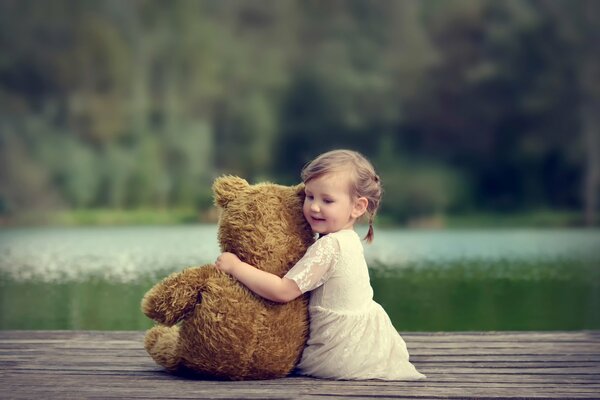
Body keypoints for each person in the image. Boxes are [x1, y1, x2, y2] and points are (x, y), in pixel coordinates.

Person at [215, 149, 425, 380]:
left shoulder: (329, 246)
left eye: (327, 200)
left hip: (335, 355)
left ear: (357, 207)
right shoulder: (349, 240)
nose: (314, 207)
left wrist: (235, 267)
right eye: (310, 196)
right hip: (363, 344)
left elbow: (284, 291)